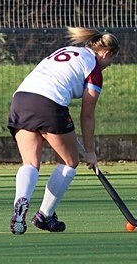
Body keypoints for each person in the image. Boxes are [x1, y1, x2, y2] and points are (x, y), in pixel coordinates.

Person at [7, 27, 119, 235]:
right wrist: (91, 152)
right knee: (69, 162)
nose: (108, 66)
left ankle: (22, 200)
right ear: (106, 53)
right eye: (110, 62)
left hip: (21, 99)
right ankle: (44, 215)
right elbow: (87, 116)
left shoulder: (67, 51)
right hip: (49, 104)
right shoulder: (94, 70)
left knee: (30, 162)